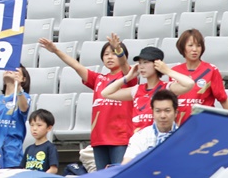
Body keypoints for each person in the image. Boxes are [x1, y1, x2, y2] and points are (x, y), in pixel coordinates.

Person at [39, 34, 132, 169]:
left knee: (120, 173)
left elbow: (124, 65)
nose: (110, 57)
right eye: (106, 54)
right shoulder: (98, 79)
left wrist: (118, 49)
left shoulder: (128, 77)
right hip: (99, 138)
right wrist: (56, 50)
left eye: (114, 54)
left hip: (120, 138)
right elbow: (76, 66)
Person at [101, 46, 194, 131]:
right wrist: (128, 77)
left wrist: (167, 71)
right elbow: (106, 93)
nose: (141, 66)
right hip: (139, 140)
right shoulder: (136, 90)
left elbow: (189, 83)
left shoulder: (167, 88)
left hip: (160, 139)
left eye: (145, 62)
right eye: (140, 63)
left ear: (157, 64)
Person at [172, 29, 228, 125]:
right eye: (190, 45)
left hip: (204, 125)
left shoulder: (211, 70)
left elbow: (223, 99)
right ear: (182, 47)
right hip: (180, 126)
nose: (195, 49)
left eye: (198, 45)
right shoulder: (174, 72)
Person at [121, 90, 179, 164]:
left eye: (167, 111)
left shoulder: (185, 137)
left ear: (176, 113)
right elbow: (127, 164)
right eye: (158, 111)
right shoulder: (140, 136)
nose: (163, 116)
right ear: (152, 112)